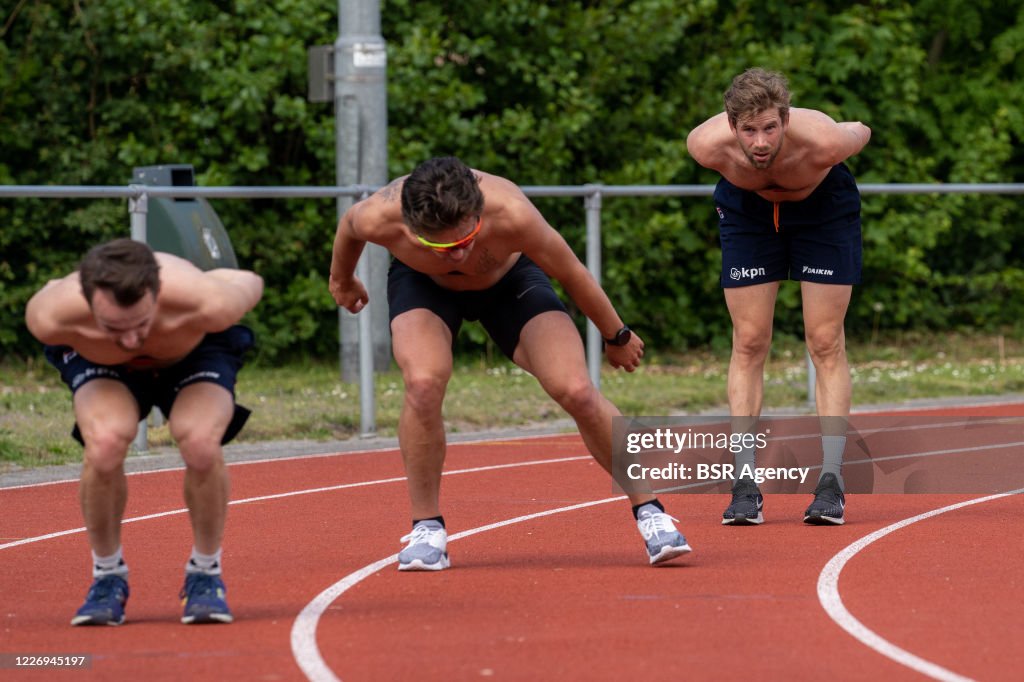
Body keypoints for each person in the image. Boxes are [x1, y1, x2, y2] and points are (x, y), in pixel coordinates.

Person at [328, 156, 691, 569]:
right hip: (423, 287)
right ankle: (427, 527)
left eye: (467, 240)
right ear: (412, 228)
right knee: (423, 384)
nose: (459, 256)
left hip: (510, 284)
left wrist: (617, 334)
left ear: (478, 213)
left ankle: (652, 512)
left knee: (575, 389)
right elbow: (349, 229)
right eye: (442, 247)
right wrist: (342, 279)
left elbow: (572, 273)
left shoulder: (512, 212)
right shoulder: (380, 214)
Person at [25, 238, 264, 625]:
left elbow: (249, 280)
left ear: (157, 293)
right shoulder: (51, 315)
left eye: (141, 324)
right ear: (87, 303)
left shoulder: (208, 301)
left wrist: (216, 279)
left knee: (201, 442)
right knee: (103, 444)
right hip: (102, 365)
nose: (133, 342)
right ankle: (107, 577)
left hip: (193, 352)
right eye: (114, 328)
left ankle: (205, 573)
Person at [686, 68, 871, 526]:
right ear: (732, 127)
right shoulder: (707, 145)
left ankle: (830, 481)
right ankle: (744, 484)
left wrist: (843, 129)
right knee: (749, 342)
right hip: (748, 214)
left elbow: (862, 130)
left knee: (824, 340)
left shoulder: (822, 141)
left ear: (785, 120)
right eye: (749, 130)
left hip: (823, 209)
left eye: (770, 127)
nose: (761, 142)